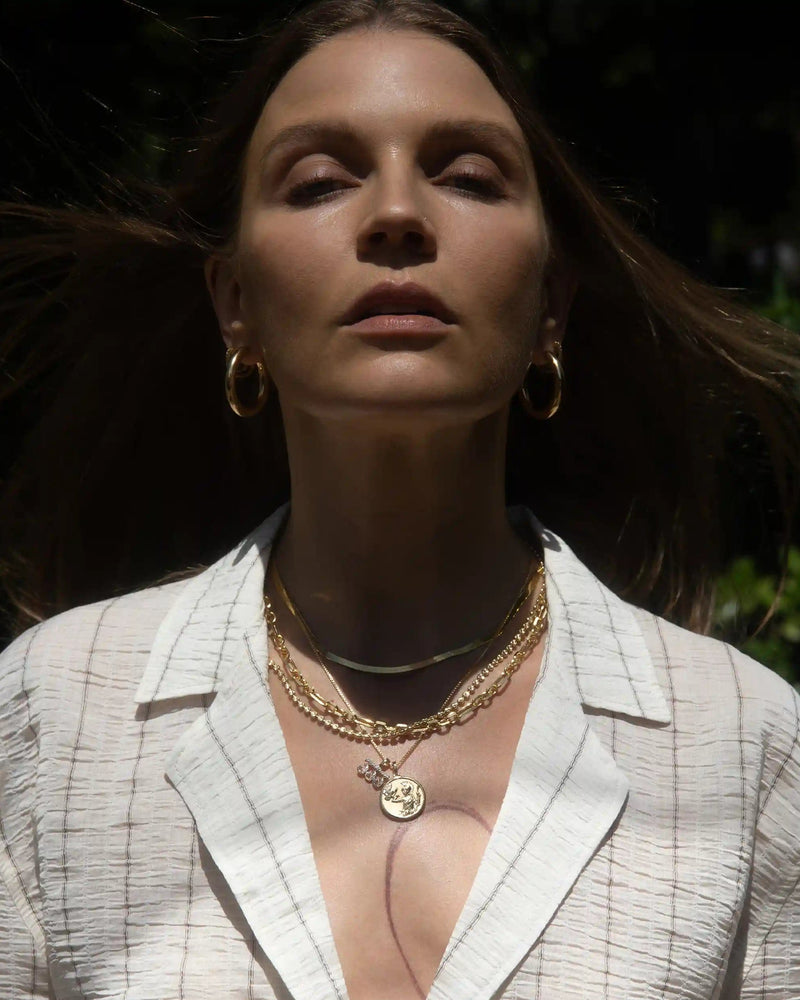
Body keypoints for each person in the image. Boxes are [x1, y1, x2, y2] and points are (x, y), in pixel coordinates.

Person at [1, 0, 799, 997]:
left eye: (465, 177)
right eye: (320, 181)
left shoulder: (748, 747)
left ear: (550, 305)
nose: (395, 215)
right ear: (234, 305)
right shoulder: (49, 723)